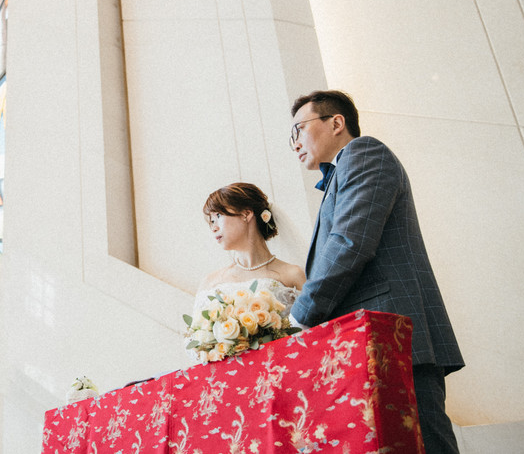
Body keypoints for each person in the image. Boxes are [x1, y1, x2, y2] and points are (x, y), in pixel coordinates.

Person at [288, 89, 464, 454]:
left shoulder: (364, 153)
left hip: (393, 335)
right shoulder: (339, 174)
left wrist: (300, 315)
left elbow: (349, 243)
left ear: (336, 122)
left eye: (299, 129)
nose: (295, 143)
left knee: (426, 444)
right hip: (368, 343)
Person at [195, 182, 306, 320]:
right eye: (211, 221)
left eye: (218, 216)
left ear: (246, 214)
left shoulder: (293, 275)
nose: (214, 228)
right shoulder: (210, 283)